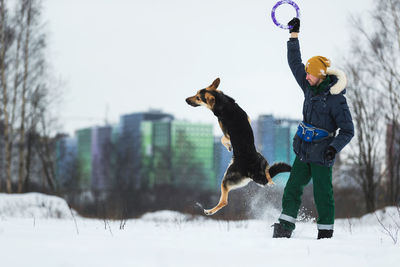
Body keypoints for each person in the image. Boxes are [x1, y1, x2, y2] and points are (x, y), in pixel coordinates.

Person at [272, 18, 354, 239]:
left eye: (310, 74)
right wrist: (293, 35)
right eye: (306, 73)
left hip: (322, 152)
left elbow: (348, 130)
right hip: (304, 149)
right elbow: (294, 62)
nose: (305, 76)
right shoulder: (309, 87)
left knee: (322, 194)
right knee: (292, 188)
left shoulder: (336, 99)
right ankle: (284, 228)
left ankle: (325, 233)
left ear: (320, 75)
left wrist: (334, 148)